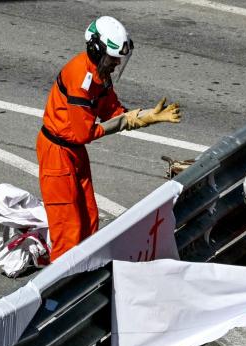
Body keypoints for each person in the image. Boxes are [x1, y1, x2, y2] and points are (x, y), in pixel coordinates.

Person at [37, 16, 181, 261]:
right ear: (96, 50)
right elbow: (86, 132)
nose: (116, 63)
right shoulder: (80, 79)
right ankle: (58, 288)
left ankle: (82, 275)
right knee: (68, 227)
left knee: (89, 219)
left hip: (73, 151)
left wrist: (148, 116)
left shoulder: (100, 74)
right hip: (57, 154)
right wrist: (127, 121)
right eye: (113, 57)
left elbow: (113, 111)